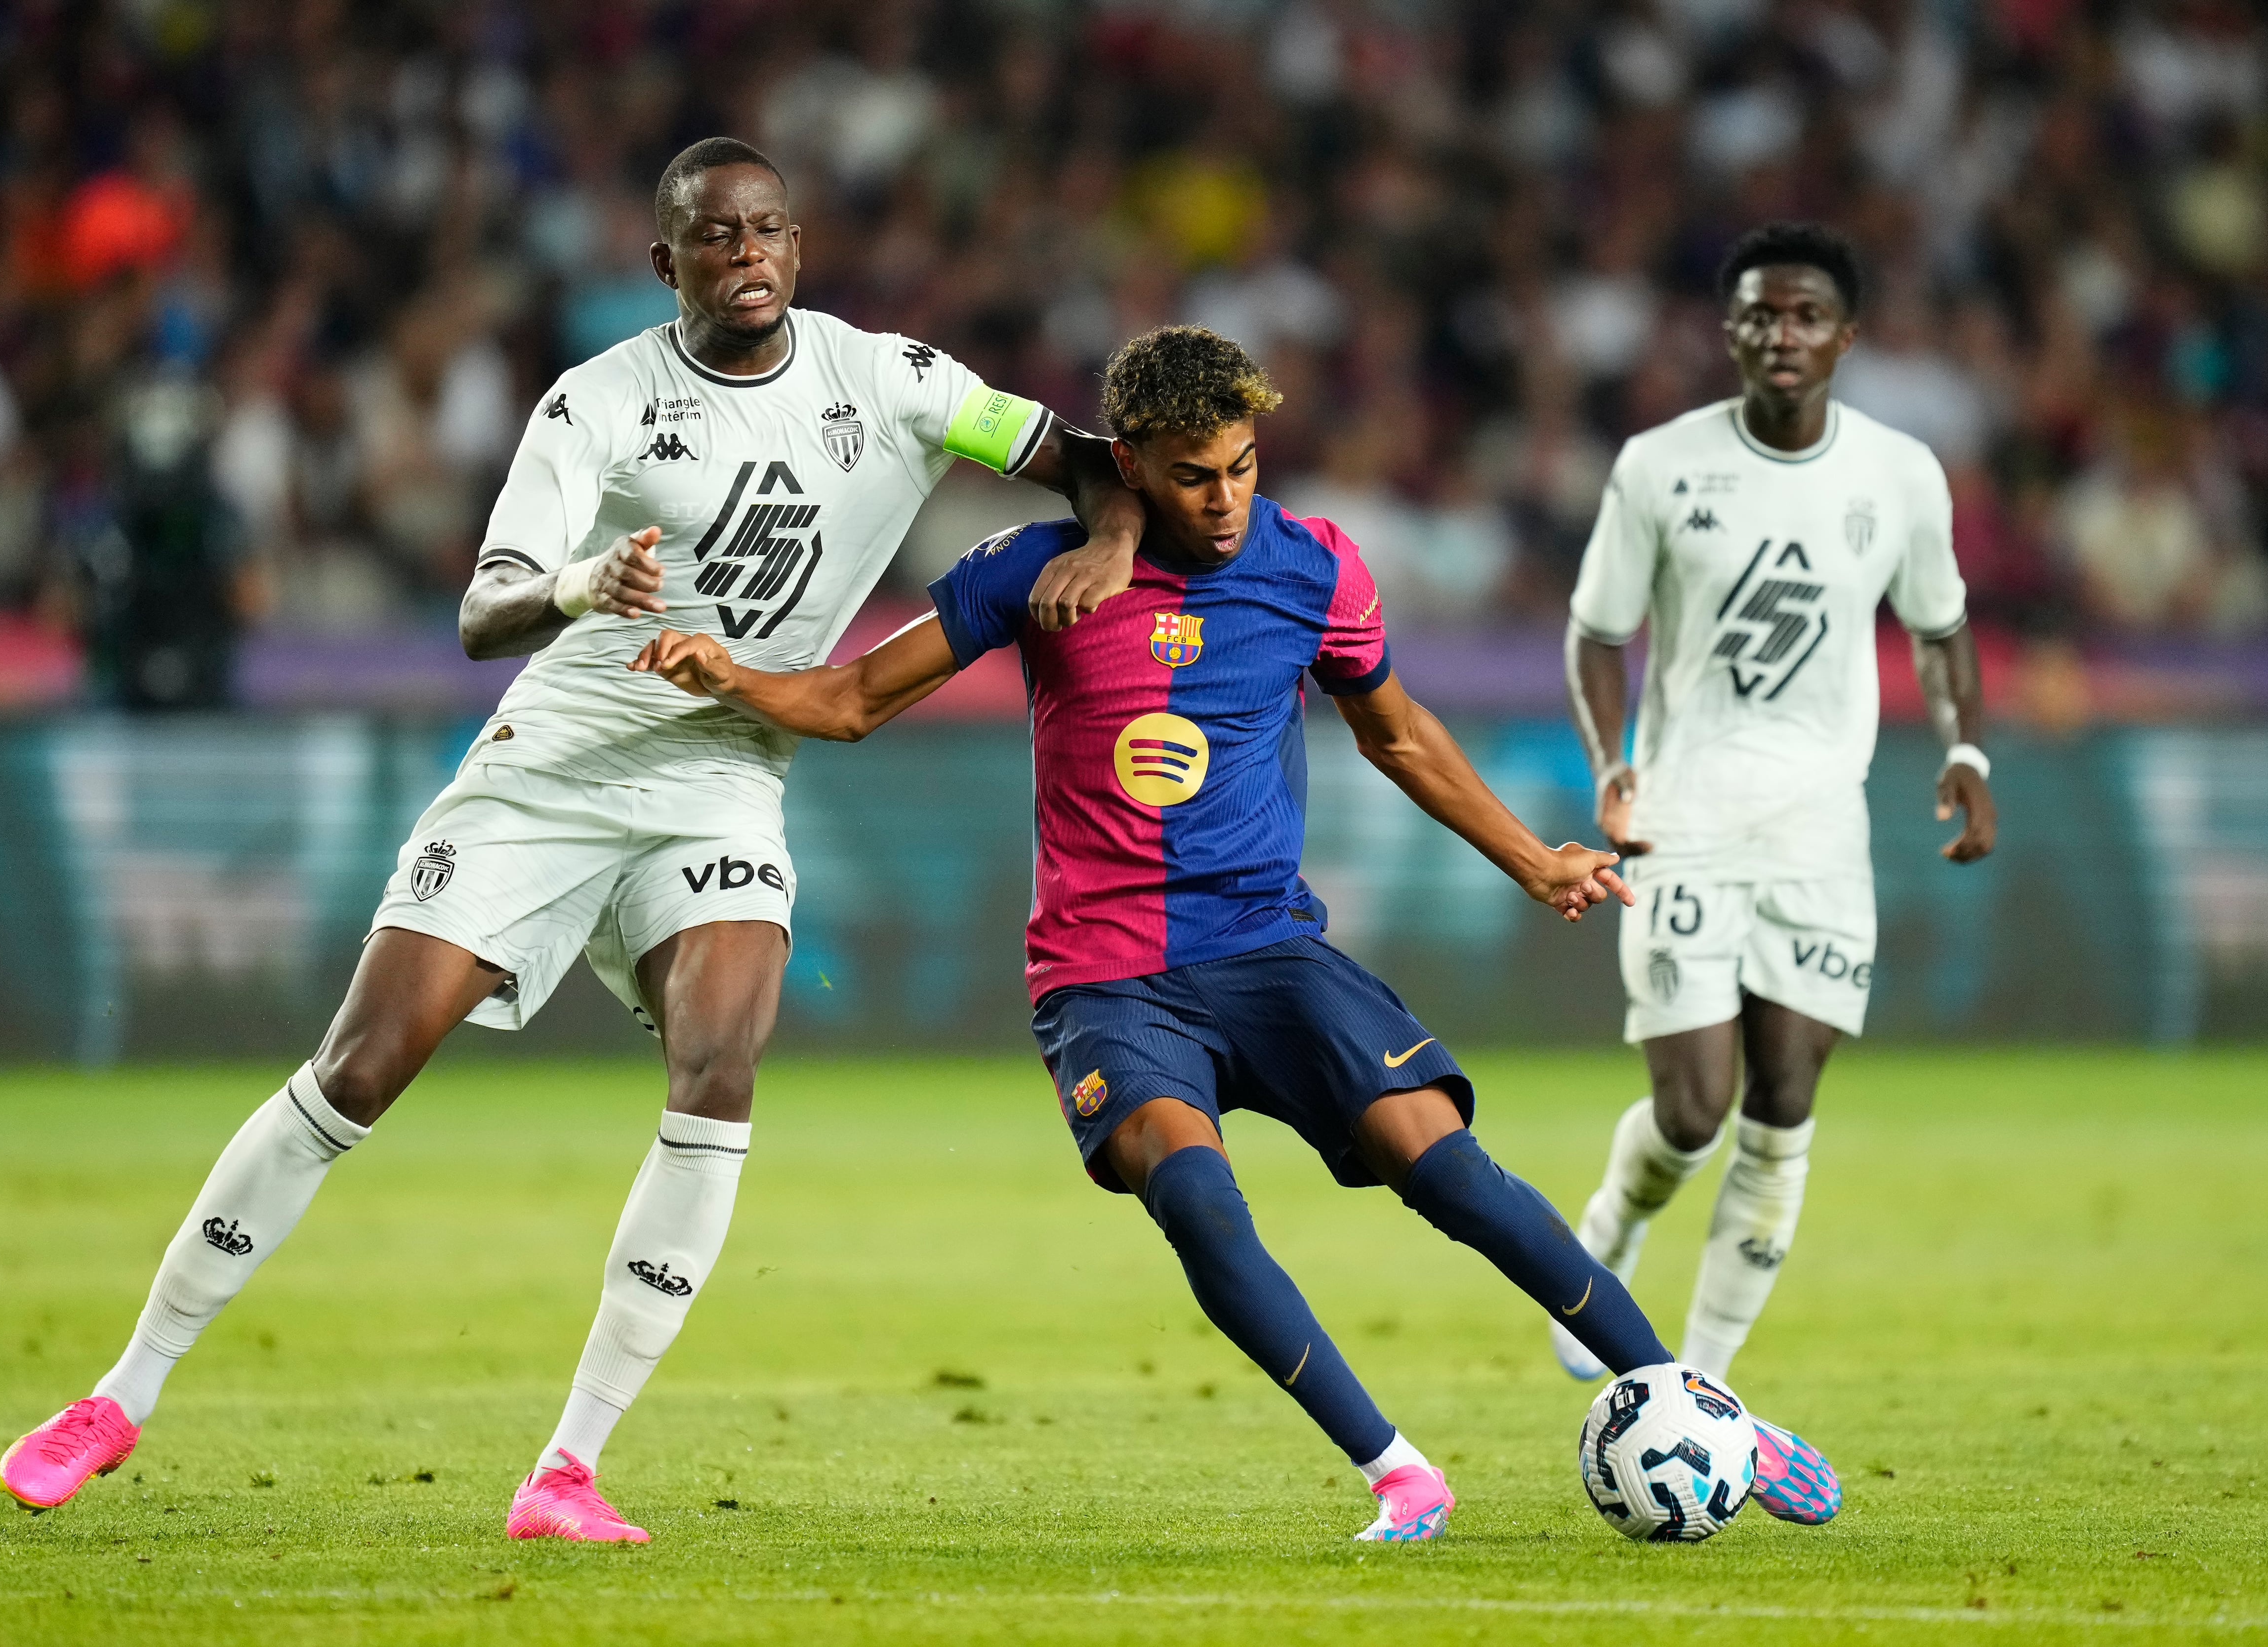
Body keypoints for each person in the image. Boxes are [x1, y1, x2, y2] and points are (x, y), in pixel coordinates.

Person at [0, 137, 1145, 1541]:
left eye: (769, 229)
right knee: (359, 1069)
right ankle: (122, 1391)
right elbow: (483, 614)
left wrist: (1114, 538)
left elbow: (1089, 463)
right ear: (663, 265)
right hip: (556, 766)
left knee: (721, 1060)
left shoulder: (897, 384)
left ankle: (569, 1468)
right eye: (715, 238)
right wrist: (580, 580)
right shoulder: (595, 405)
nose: (749, 256)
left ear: (799, 242)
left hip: (724, 768)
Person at [631, 325, 1837, 1537]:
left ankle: (1696, 1399)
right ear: (1134, 465)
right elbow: (848, 701)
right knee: (1199, 1200)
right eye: (1195, 474)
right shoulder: (1037, 573)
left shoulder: (1313, 567)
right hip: (1107, 978)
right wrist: (724, 673)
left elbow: (1399, 732)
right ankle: (1399, 1471)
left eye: (1244, 466)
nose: (1225, 499)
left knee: (1450, 1167)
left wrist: (1535, 860)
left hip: (1267, 948)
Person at [1551, 222, 1995, 1422]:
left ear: (1846, 337)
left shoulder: (1898, 474)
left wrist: (1962, 744)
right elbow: (1597, 632)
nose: (1779, 334)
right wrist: (1613, 766)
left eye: (1804, 316)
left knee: (1784, 1103)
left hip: (1817, 830)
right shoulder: (1658, 464)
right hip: (1684, 818)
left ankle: (1698, 1387)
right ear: (1729, 329)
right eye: (1758, 313)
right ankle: (1616, 1216)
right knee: (1692, 1111)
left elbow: (1942, 624)